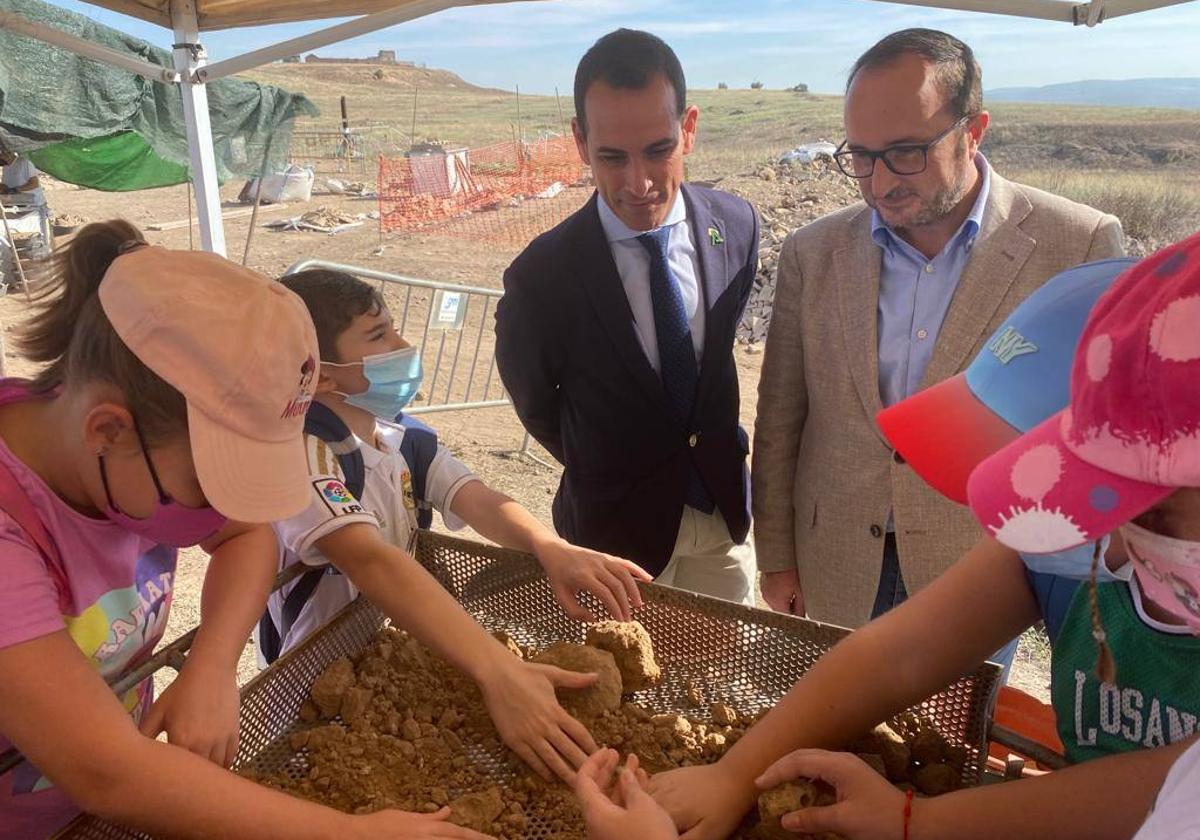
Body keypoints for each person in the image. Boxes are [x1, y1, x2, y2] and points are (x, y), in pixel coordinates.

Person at [645, 234, 1200, 840]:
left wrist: (921, 822)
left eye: (1151, 513)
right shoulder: (1064, 548)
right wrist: (735, 775)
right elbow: (899, 653)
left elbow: (1172, 787)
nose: (1107, 536)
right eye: (1066, 492)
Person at [0, 220, 490, 838]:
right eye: (211, 486)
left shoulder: (122, 456)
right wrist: (354, 834)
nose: (219, 510)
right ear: (108, 431)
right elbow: (109, 773)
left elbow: (247, 536)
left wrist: (211, 664)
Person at [185, 267, 648, 786]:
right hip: (315, 682)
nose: (404, 346)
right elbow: (367, 557)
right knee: (320, 777)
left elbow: (476, 498)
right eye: (379, 335)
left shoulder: (401, 438)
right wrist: (498, 670)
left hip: (391, 658)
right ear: (323, 375)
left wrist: (550, 546)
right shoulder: (306, 458)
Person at [753, 28, 1125, 635]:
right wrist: (775, 556)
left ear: (973, 132)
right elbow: (780, 419)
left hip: (982, 568)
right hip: (837, 558)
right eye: (861, 157)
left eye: (906, 152)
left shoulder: (1078, 244)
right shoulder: (812, 251)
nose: (879, 182)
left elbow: (1096, 432)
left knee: (954, 731)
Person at [495, 29, 758, 606]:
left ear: (689, 128)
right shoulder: (541, 275)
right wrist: (613, 461)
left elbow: (718, 346)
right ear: (581, 142)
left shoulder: (736, 226)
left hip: (721, 518)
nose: (637, 184)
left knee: (720, 683)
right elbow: (537, 405)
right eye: (612, 157)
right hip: (615, 539)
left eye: (658, 150)